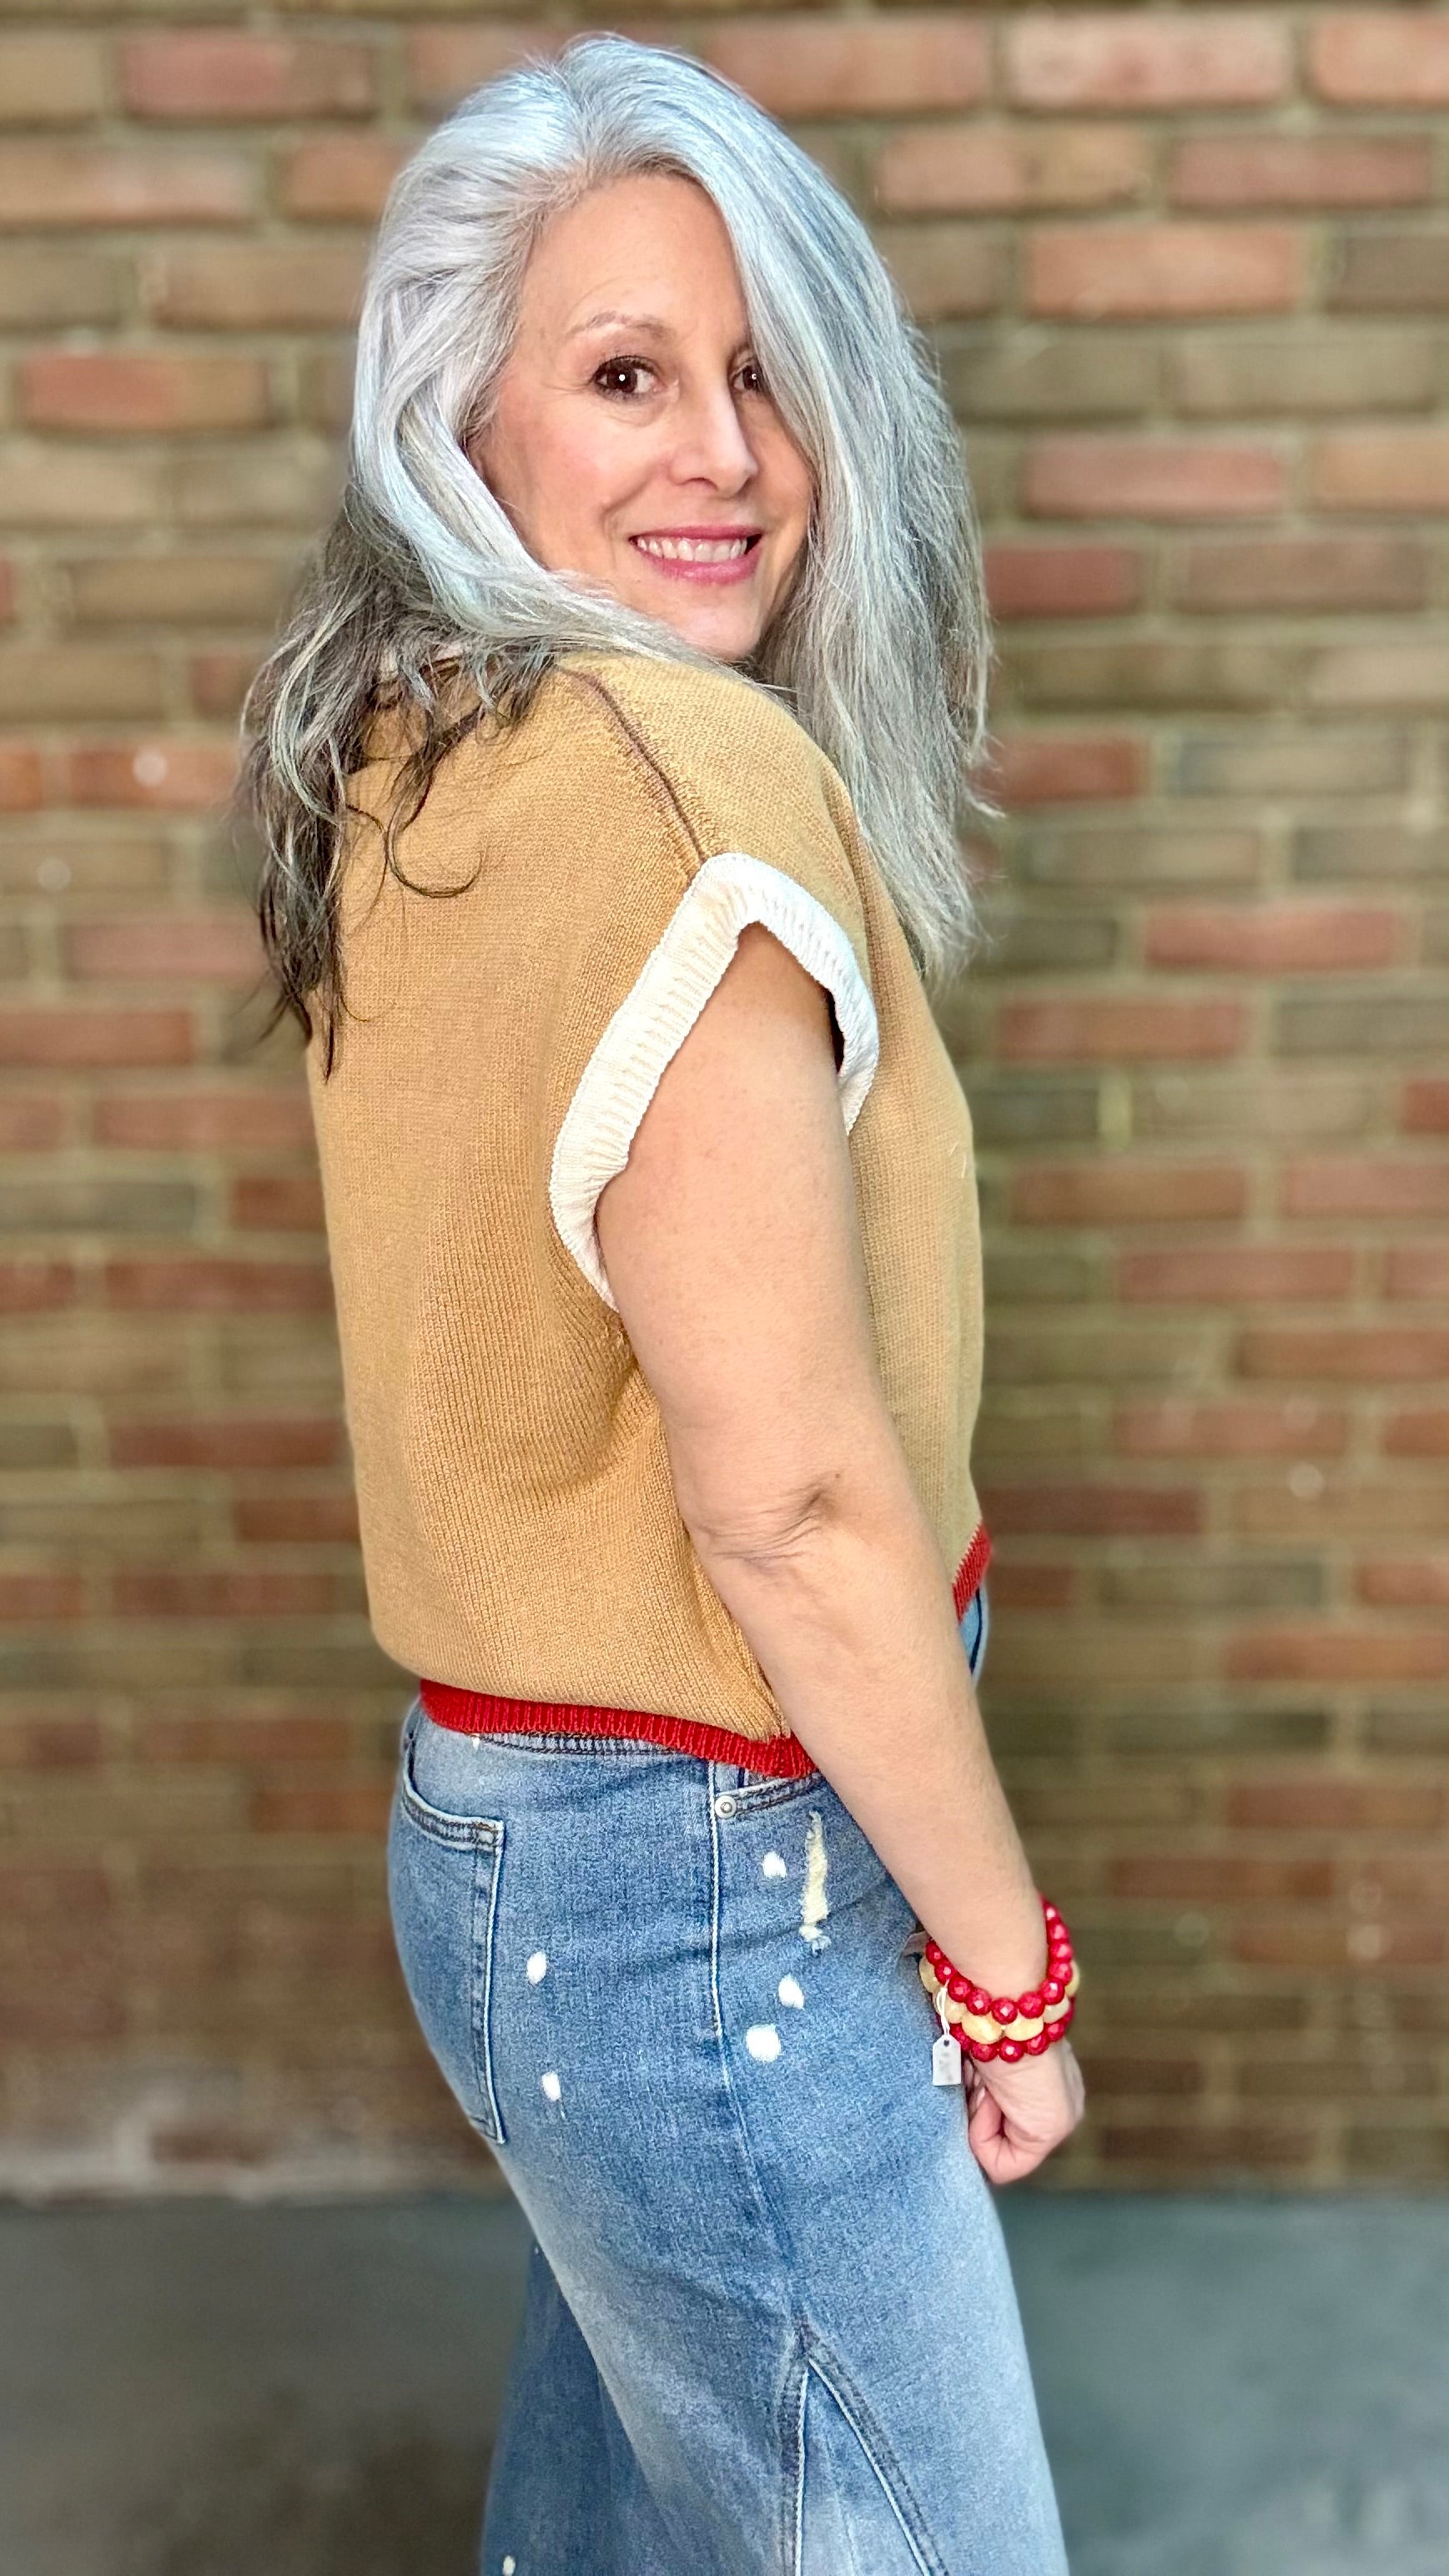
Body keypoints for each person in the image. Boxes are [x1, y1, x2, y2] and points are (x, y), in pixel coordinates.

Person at [244, 31, 1084, 2573]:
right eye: (624, 377)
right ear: (463, 428)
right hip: (721, 1887)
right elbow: (802, 1509)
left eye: (762, 378)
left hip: (519, 1863)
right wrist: (1006, 1964)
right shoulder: (680, 800)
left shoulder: (414, 752)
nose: (722, 451)